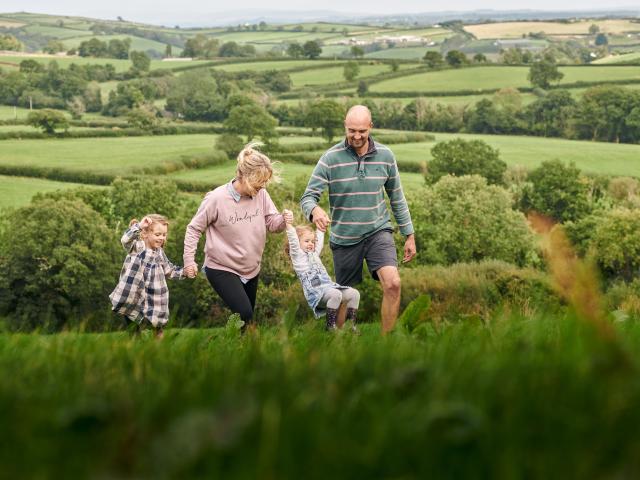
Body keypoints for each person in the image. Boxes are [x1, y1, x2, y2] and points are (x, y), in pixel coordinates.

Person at [300, 105, 416, 335]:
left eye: (362, 131)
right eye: (351, 130)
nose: (356, 136)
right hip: (345, 237)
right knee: (346, 295)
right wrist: (315, 211)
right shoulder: (330, 158)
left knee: (393, 283)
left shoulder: (386, 156)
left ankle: (386, 344)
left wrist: (409, 234)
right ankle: (340, 345)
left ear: (371, 127)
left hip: (378, 231)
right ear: (345, 126)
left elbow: (397, 197)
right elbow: (308, 197)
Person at [183, 143, 287, 329]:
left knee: (246, 321)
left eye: (265, 182)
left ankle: (239, 352)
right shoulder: (216, 198)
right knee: (244, 313)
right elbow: (194, 228)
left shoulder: (261, 194)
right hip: (222, 267)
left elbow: (272, 224)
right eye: (259, 181)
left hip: (251, 267)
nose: (263, 186)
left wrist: (284, 220)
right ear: (245, 177)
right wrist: (189, 260)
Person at [109, 214, 186, 339]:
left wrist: (184, 272)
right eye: (158, 234)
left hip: (154, 297)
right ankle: (136, 354)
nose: (162, 238)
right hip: (132, 297)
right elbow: (125, 239)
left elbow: (169, 270)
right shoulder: (138, 247)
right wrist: (139, 225)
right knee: (134, 331)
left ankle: (159, 354)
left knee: (158, 329)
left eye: (164, 235)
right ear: (145, 234)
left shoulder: (159, 253)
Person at [283, 210, 360, 331]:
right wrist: (288, 223)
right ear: (298, 244)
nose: (311, 244)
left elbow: (319, 238)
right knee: (336, 294)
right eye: (306, 241)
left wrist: (322, 224)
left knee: (354, 294)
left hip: (329, 287)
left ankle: (351, 326)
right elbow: (292, 238)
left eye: (312, 241)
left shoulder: (314, 254)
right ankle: (330, 327)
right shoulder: (298, 256)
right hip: (316, 293)